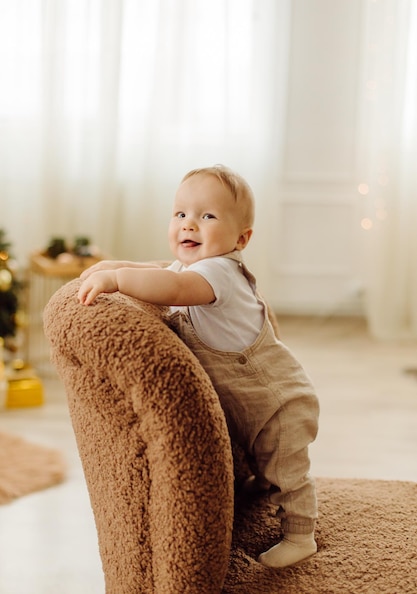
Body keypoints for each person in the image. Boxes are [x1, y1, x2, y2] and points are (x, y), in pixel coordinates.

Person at [77, 164, 320, 569]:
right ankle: (264, 482)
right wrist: (116, 265)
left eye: (207, 216)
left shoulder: (219, 273)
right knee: (265, 462)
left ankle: (300, 535)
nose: (189, 224)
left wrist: (117, 279)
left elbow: (172, 289)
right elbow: (160, 271)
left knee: (288, 471)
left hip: (279, 402)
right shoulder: (191, 266)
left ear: (241, 239)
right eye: (180, 214)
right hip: (249, 400)